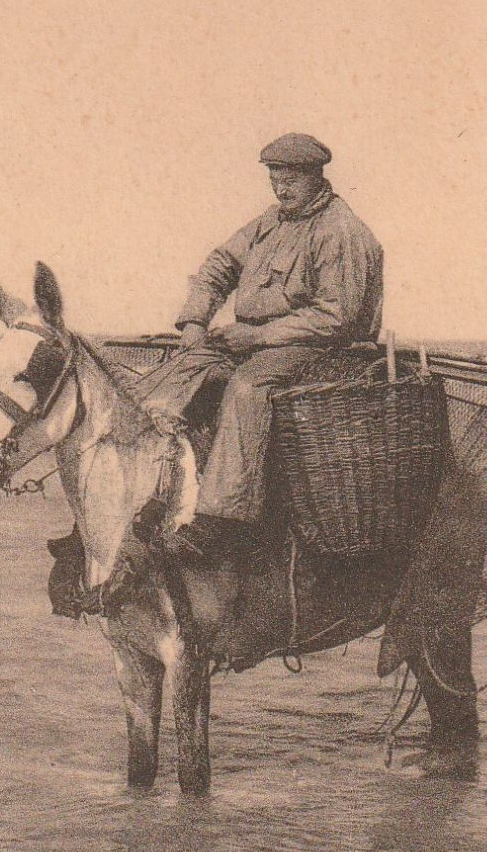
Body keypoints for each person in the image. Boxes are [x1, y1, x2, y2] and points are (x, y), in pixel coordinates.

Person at [140, 133, 384, 561]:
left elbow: (335, 317)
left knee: (247, 389)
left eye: (290, 178)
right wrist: (195, 321)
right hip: (257, 342)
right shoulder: (272, 222)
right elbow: (219, 264)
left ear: (315, 177)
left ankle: (223, 519)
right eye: (275, 177)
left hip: (321, 351)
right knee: (175, 374)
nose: (280, 187)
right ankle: (151, 497)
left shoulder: (340, 231)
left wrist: (254, 336)